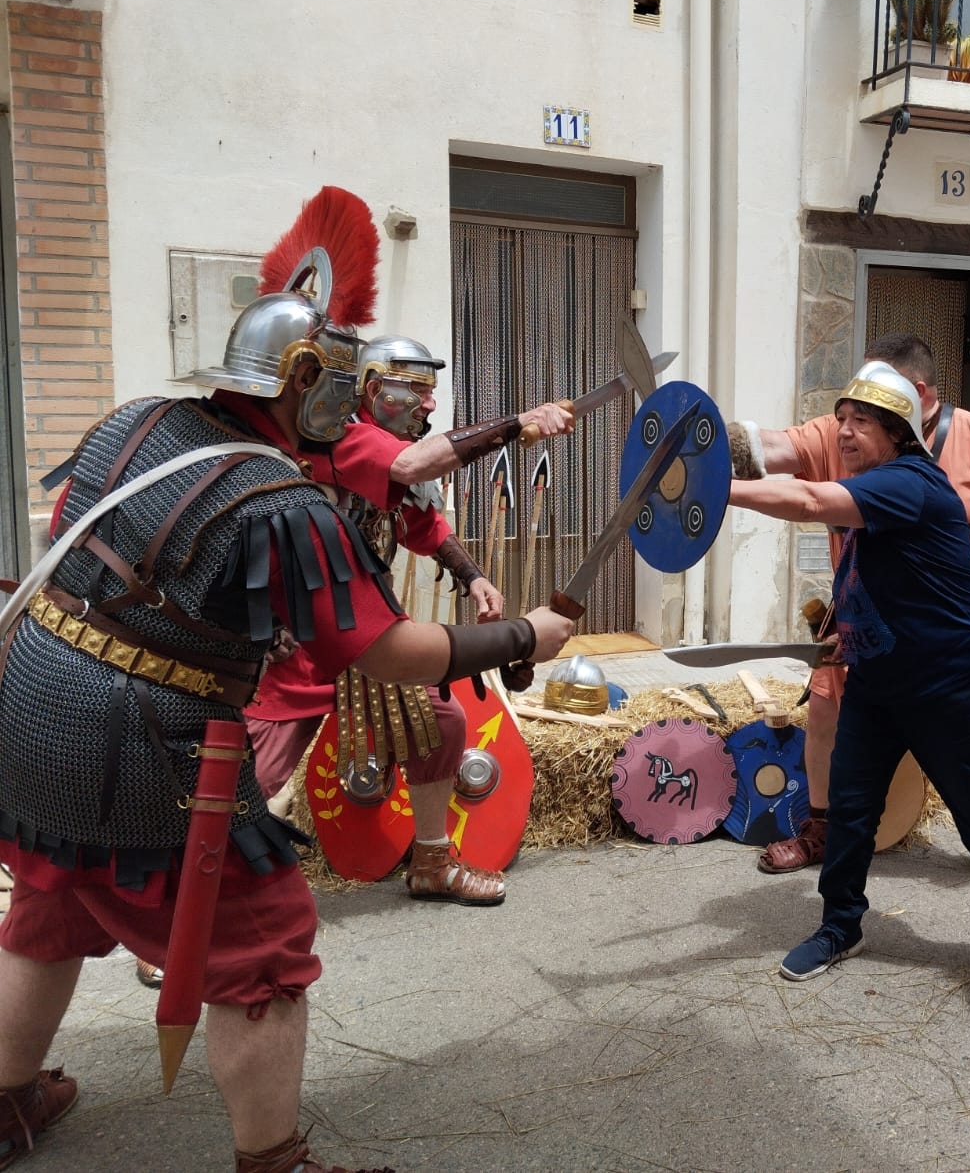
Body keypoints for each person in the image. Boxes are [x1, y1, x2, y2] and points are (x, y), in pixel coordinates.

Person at [0, 234, 573, 1172]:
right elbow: (385, 651)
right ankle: (274, 1161)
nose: (351, 410)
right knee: (262, 939)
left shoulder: (135, 424)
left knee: (51, 898)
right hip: (139, 735)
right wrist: (523, 639)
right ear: (305, 382)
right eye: (341, 389)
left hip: (35, 705)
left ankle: (6, 1102)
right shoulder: (280, 499)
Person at [728, 362, 970, 991]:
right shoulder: (876, 477)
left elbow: (810, 500)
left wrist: (713, 491)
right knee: (850, 811)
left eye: (861, 422)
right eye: (842, 419)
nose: (843, 433)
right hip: (880, 678)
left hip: (953, 681)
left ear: (900, 430)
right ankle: (840, 925)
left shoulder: (911, 481)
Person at [245, 334, 556, 908]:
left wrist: (473, 577)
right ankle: (186, 907)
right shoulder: (347, 438)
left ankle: (432, 861)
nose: (428, 405)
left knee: (440, 723)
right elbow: (416, 464)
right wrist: (517, 424)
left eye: (430, 391)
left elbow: (424, 527)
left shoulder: (383, 450)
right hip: (298, 642)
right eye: (414, 389)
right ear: (370, 388)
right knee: (255, 769)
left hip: (367, 633)